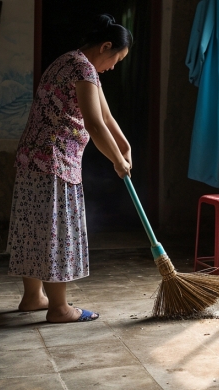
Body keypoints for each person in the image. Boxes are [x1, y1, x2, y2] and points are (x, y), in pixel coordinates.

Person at [7, 14, 133, 323]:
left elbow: (106, 116)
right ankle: (59, 308)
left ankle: (33, 296)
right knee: (54, 232)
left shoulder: (70, 61)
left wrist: (124, 146)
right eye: (116, 58)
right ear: (106, 46)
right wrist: (117, 160)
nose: (114, 66)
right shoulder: (83, 68)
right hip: (54, 163)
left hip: (30, 158)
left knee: (33, 228)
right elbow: (93, 123)